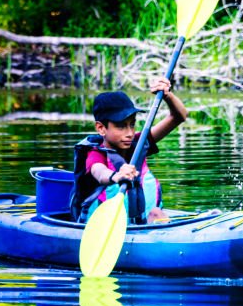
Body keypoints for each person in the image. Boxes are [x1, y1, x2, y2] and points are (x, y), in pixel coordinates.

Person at [69, 78, 187, 224]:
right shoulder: (95, 154)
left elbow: (179, 117)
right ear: (101, 128)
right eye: (121, 126)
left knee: (156, 212)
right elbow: (99, 172)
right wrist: (116, 176)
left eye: (132, 124)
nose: (129, 133)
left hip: (139, 224)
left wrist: (168, 96)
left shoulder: (138, 143)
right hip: (104, 225)